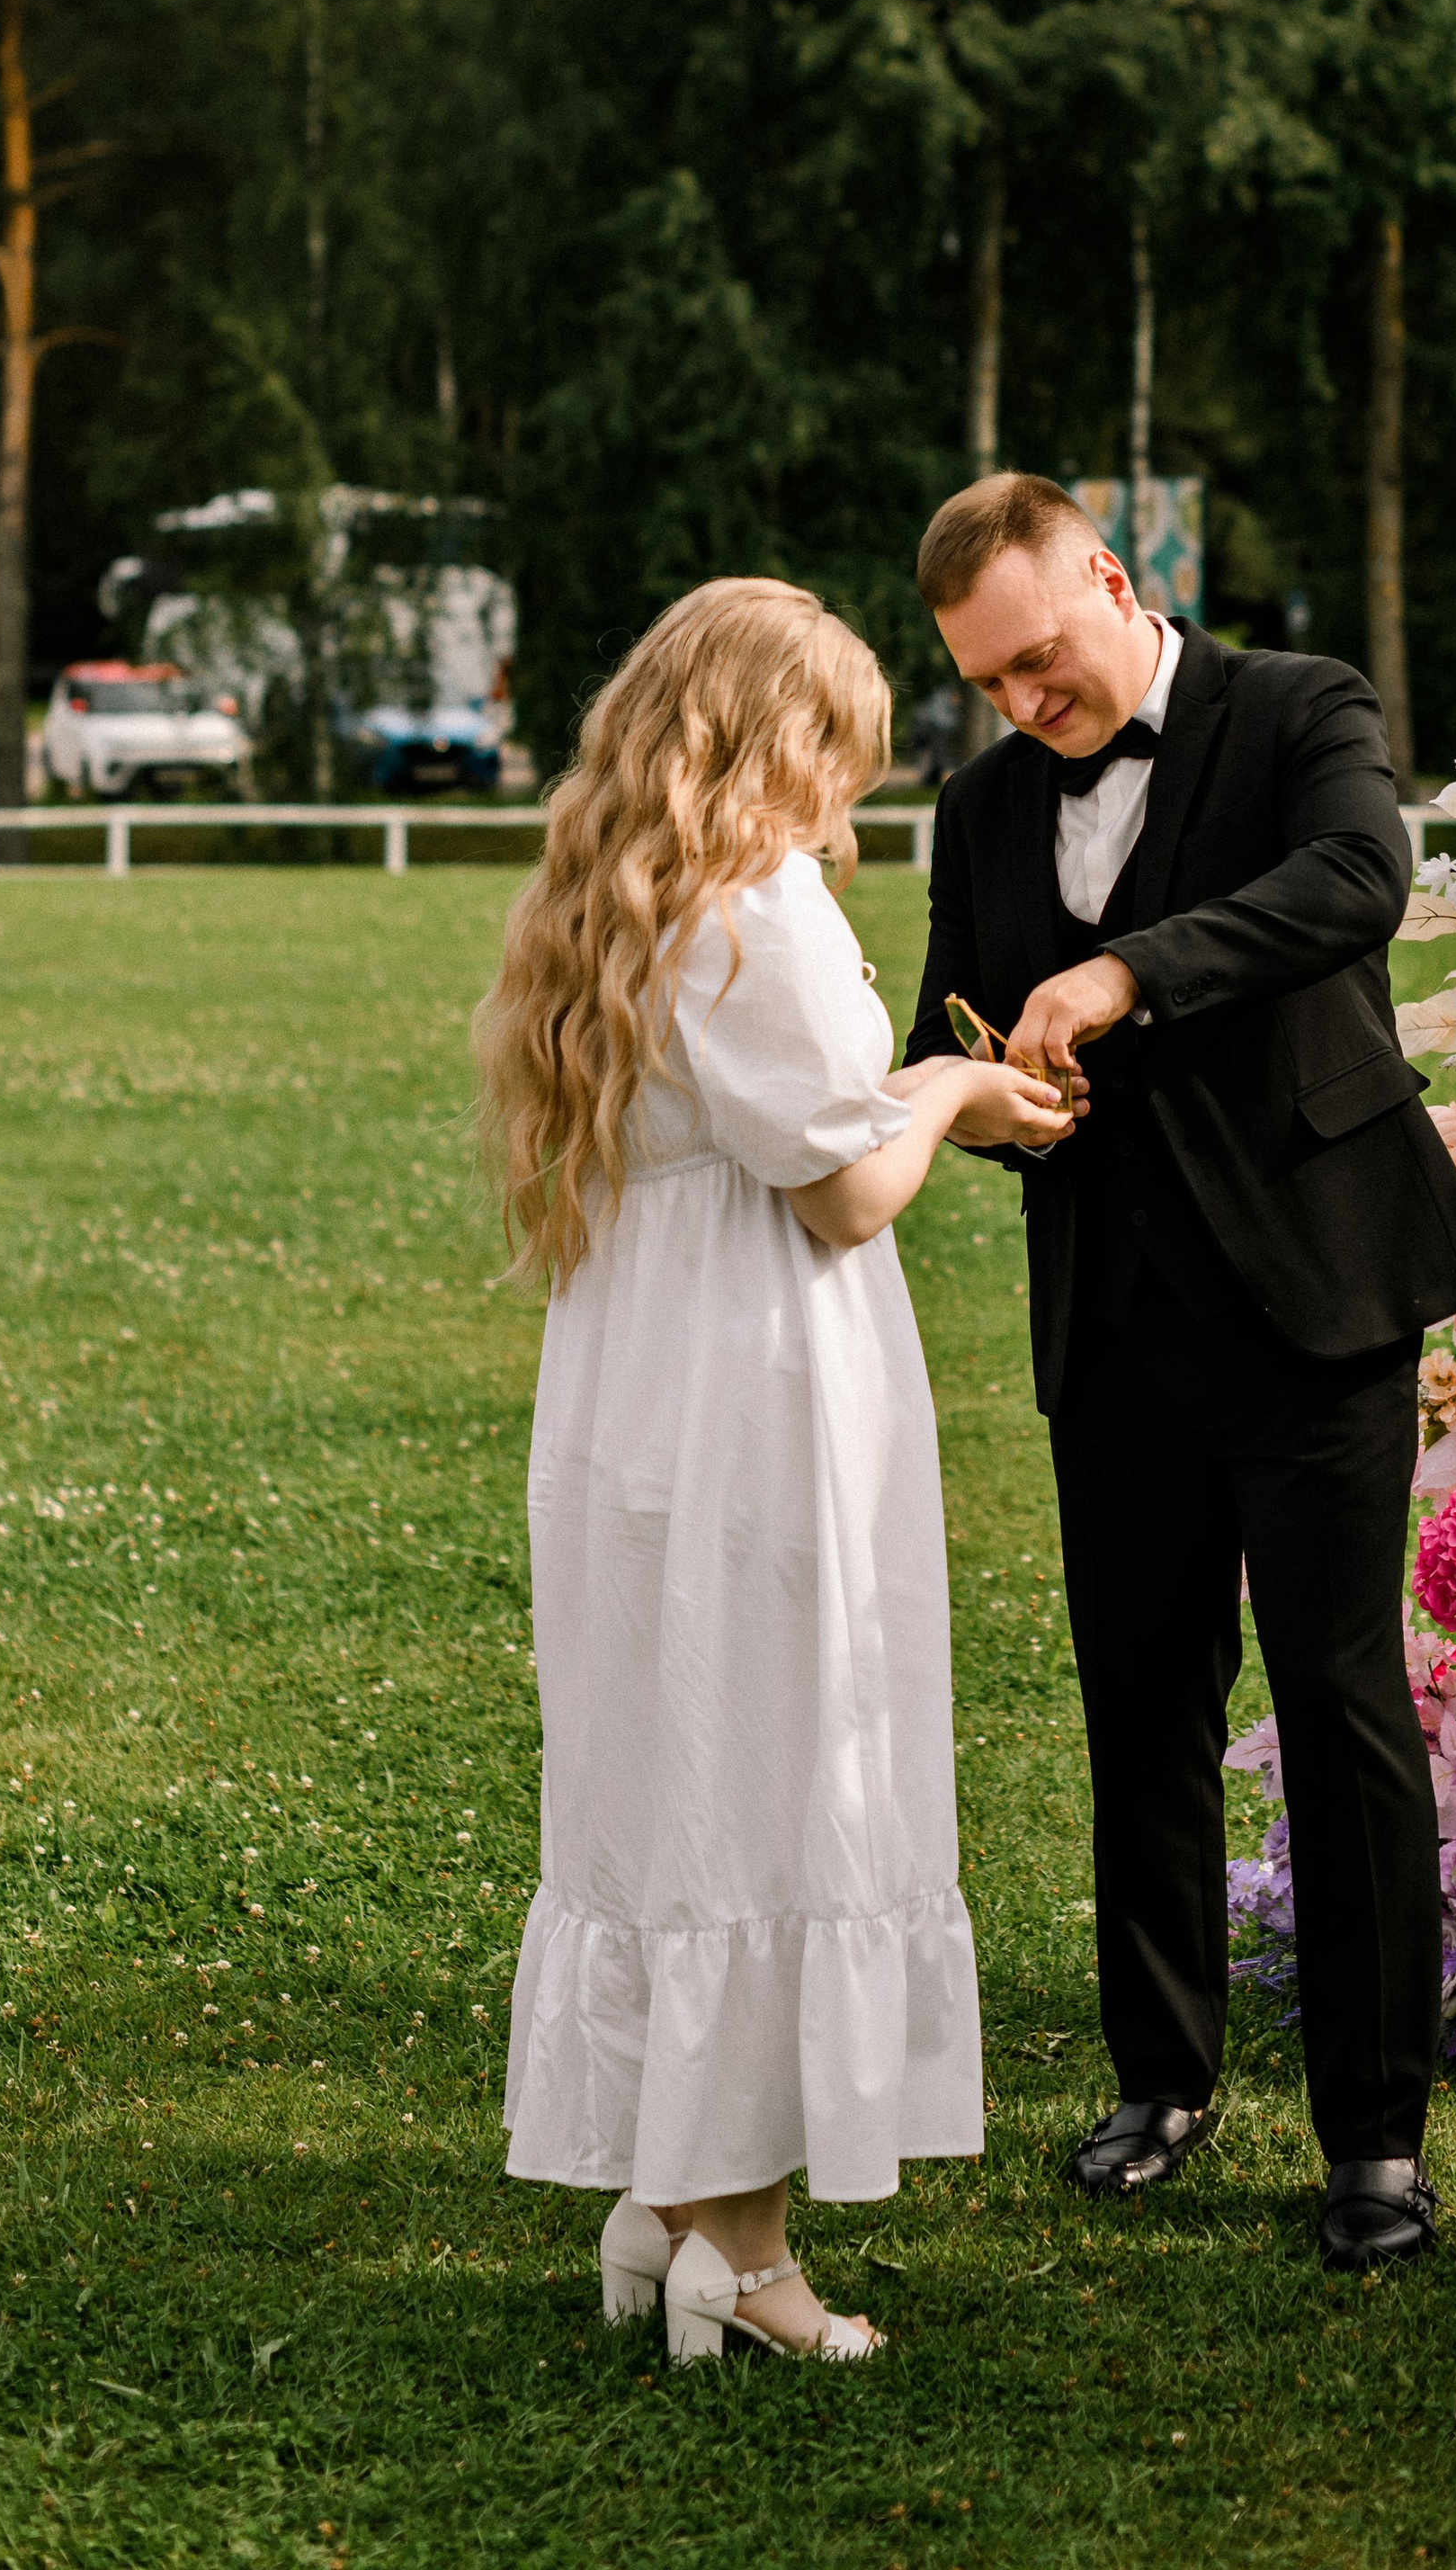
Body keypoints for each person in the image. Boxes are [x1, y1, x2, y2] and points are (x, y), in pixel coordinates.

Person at [477, 578, 1069, 2364]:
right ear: (770, 741)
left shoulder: (619, 902)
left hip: (636, 1383)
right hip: (757, 1390)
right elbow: (838, 1190)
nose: (856, 801)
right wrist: (961, 1091)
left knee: (672, 1753)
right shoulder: (761, 911)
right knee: (768, 1750)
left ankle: (658, 2202)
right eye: (844, 759)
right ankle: (744, 2250)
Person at [906, 473, 1456, 2269]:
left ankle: (1374, 2137)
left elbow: (1352, 882)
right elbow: (951, 1017)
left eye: (1038, 661)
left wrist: (1122, 977)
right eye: (988, 685)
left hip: (1315, 1303)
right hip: (1113, 1323)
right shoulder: (981, 804)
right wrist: (1003, 1099)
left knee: (1337, 1705)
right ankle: (1159, 2076)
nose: (1023, 705)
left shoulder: (1297, 705)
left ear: (1107, 574)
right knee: (1138, 1710)